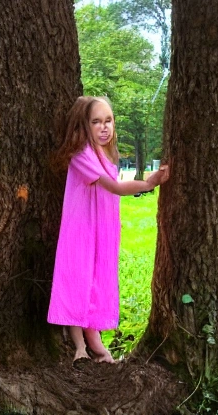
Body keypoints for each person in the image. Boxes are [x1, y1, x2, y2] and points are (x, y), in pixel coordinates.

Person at [47, 96, 170, 367]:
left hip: (101, 231)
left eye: (108, 121)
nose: (104, 127)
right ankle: (80, 346)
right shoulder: (81, 155)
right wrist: (149, 183)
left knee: (96, 282)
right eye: (96, 122)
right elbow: (113, 187)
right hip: (81, 231)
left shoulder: (106, 156)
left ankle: (97, 345)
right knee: (77, 281)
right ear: (84, 126)